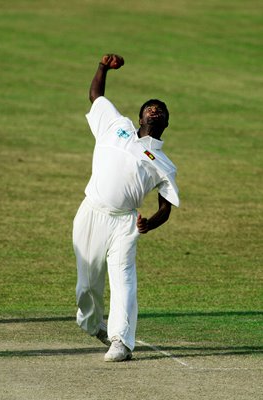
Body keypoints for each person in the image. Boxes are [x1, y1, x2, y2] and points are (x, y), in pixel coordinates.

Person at [72, 54, 179, 362]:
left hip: (125, 224)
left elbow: (166, 207)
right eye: (151, 106)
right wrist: (103, 67)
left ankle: (121, 340)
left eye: (161, 110)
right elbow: (96, 97)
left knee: (123, 278)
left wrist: (151, 223)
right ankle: (93, 324)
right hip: (91, 212)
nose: (155, 109)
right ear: (141, 115)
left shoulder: (164, 164)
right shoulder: (116, 125)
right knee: (86, 285)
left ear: (165, 123)